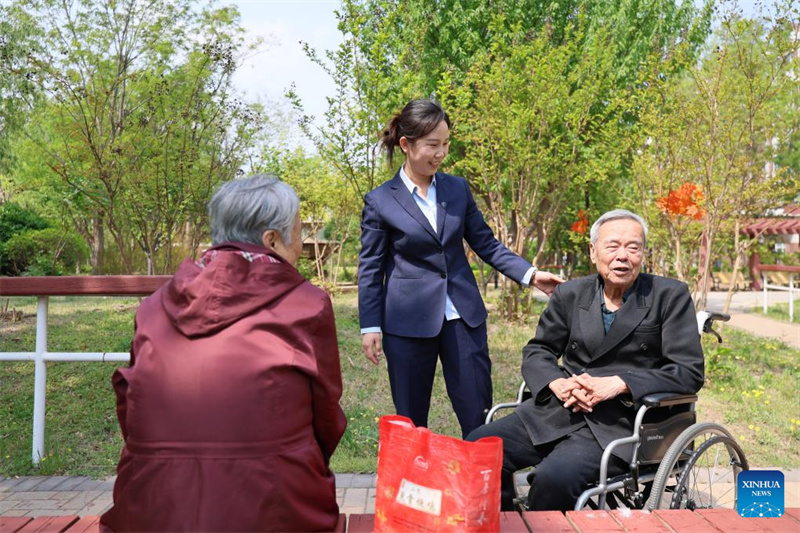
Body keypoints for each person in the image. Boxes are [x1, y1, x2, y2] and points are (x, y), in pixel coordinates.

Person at [100, 175, 347, 532]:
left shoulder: (152, 307)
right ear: (272, 240)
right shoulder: (308, 304)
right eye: (298, 234)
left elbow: (130, 409)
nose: (300, 246)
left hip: (152, 511)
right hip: (274, 511)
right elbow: (326, 418)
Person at [467, 209, 705, 512]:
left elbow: (688, 371)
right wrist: (557, 382)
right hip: (560, 410)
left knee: (553, 480)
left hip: (623, 424)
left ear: (643, 253)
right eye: (612, 246)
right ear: (593, 252)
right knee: (477, 448)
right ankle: (503, 521)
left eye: (633, 247)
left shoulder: (669, 296)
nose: (622, 256)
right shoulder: (571, 293)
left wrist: (620, 384)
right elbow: (538, 350)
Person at [358, 99, 562, 438]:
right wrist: (370, 325)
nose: (440, 153)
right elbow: (370, 267)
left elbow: (486, 243)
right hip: (407, 323)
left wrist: (531, 275)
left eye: (445, 144)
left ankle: (488, 474)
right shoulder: (380, 201)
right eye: (432, 145)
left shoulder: (456, 189)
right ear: (406, 144)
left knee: (478, 412)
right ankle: (416, 474)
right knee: (411, 420)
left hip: (462, 317)